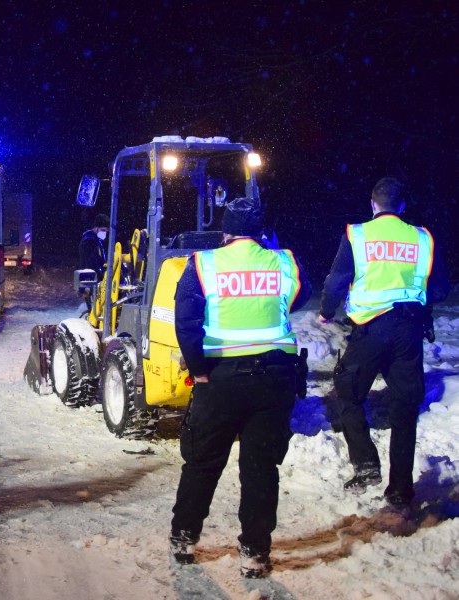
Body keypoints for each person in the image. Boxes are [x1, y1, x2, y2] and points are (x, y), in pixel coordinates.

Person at [169, 197, 312, 578]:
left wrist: (198, 369)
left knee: (202, 462)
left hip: (220, 379)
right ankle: (255, 552)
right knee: (261, 467)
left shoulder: (204, 264)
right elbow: (302, 296)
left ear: (225, 232)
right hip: (275, 378)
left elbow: (185, 321)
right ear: (261, 232)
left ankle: (184, 537)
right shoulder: (283, 261)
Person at [318, 178, 449, 508]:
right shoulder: (421, 237)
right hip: (408, 330)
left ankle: (365, 465)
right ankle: (401, 491)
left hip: (371, 329)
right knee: (405, 409)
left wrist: (325, 311)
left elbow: (337, 279)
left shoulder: (357, 235)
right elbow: (440, 287)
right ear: (402, 206)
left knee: (347, 392)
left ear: (373, 204)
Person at [78, 213, 109, 310]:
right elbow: (93, 261)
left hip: (92, 278)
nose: (105, 233)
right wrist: (103, 271)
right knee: (94, 308)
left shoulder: (95, 240)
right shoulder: (89, 241)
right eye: (103, 230)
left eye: (106, 231)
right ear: (96, 228)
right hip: (91, 279)